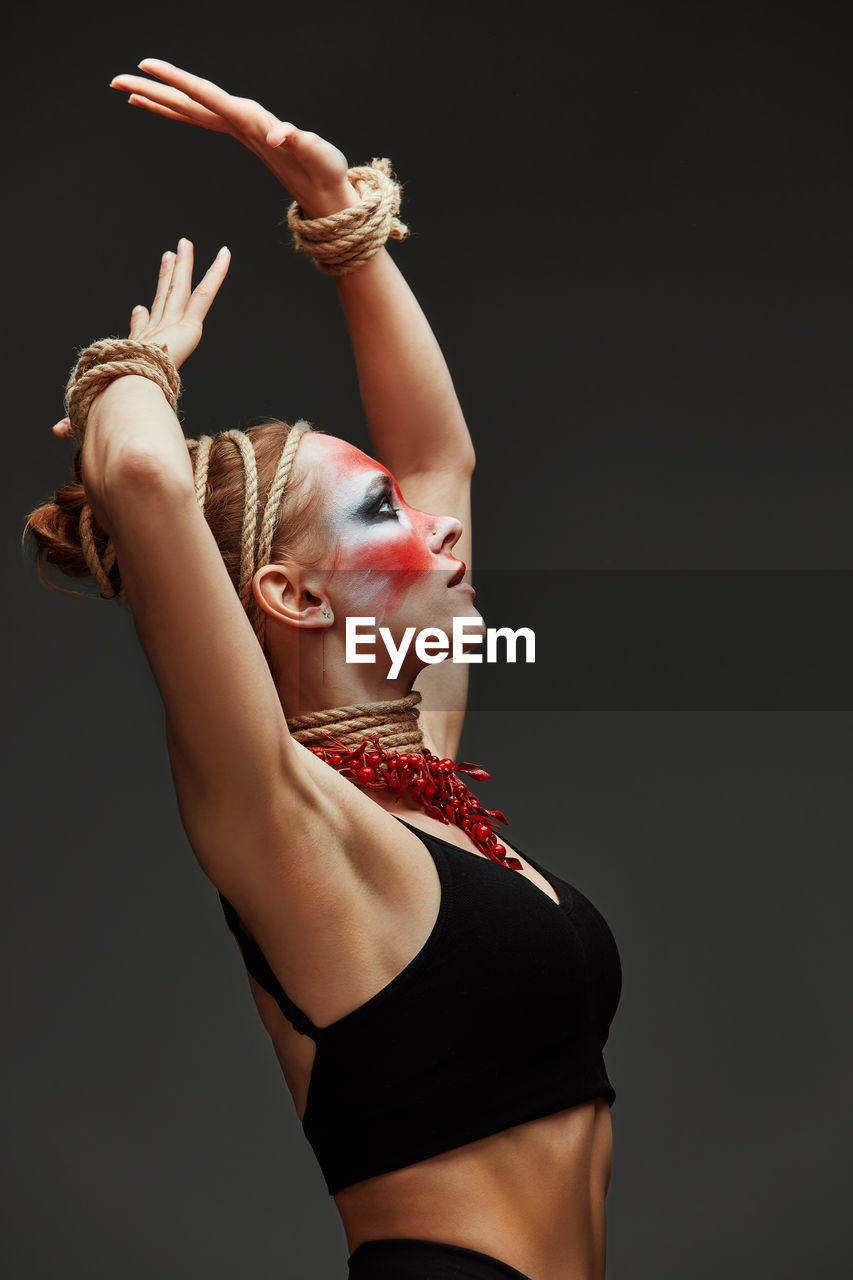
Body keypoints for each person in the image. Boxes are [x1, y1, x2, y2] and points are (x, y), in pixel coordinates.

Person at [24, 59, 622, 1280]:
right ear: (290, 593)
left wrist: (339, 221)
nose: (436, 521)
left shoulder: (423, 781)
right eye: (378, 511)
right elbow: (141, 475)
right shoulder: (286, 820)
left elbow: (439, 455)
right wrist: (138, 368)